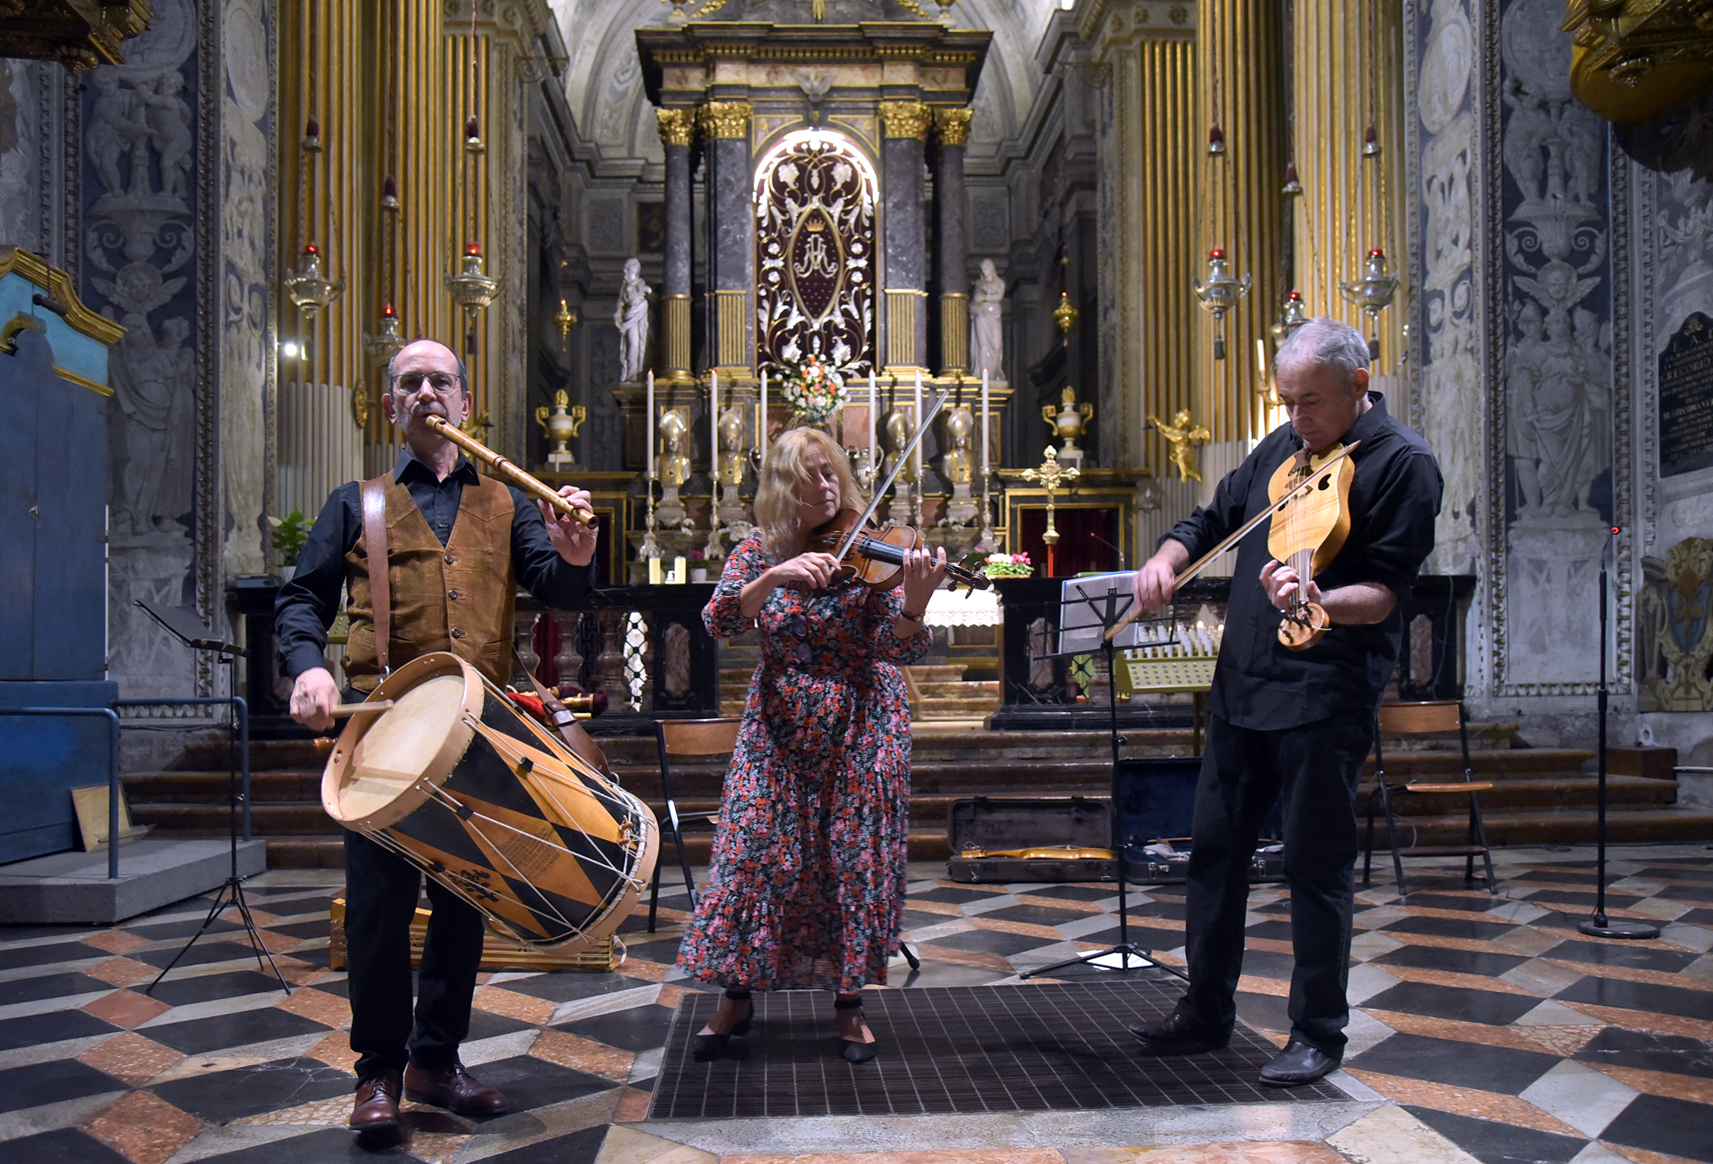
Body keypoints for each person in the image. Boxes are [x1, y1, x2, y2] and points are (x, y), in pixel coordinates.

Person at [275, 339, 599, 1140]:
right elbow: (300, 601)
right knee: (380, 912)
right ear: (390, 407)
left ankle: (436, 1061)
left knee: (462, 905)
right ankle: (377, 1074)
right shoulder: (358, 502)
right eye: (409, 382)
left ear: (463, 402)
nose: (426, 391)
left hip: (477, 731)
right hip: (383, 732)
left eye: (440, 380)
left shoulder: (508, 502)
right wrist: (306, 668)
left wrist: (574, 556)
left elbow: (556, 589)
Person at [1128, 317, 1442, 1087]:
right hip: (1242, 687)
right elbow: (1212, 518)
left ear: (1358, 389)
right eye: (1286, 403)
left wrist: (1322, 599)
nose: (1296, 419)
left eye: (1310, 404)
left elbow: (1388, 593)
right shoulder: (1282, 450)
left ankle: (1316, 1032)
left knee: (1315, 862)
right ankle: (1204, 1009)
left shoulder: (1403, 465)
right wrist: (1165, 560)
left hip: (1323, 693)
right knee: (1213, 853)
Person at [679, 427, 947, 1064]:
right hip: (778, 726)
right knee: (751, 855)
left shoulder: (870, 551)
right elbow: (718, 620)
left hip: (860, 725)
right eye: (809, 478)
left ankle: (850, 1006)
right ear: (781, 488)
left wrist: (913, 602)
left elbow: (899, 646)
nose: (826, 487)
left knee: (849, 863)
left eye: (831, 474)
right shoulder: (757, 553)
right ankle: (736, 996)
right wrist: (773, 577)